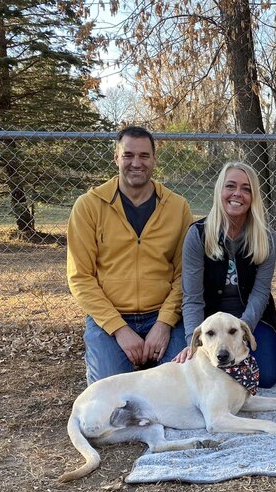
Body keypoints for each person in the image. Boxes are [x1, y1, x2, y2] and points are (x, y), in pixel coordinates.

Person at [67, 126, 193, 384]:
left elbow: (186, 274)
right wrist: (120, 329)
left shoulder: (177, 207)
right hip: (110, 318)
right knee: (109, 395)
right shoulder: (89, 206)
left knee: (179, 388)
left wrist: (165, 323)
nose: (136, 163)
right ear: (116, 158)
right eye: (128, 155)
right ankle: (109, 356)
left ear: (155, 160)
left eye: (144, 156)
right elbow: (80, 278)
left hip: (161, 313)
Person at [175, 162, 276, 387]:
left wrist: (241, 332)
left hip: (250, 317)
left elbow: (261, 293)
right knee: (190, 370)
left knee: (266, 377)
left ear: (253, 196)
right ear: (220, 192)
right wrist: (193, 344)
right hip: (209, 320)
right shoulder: (198, 235)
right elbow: (192, 297)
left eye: (246, 189)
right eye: (230, 186)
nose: (237, 194)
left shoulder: (267, 238)